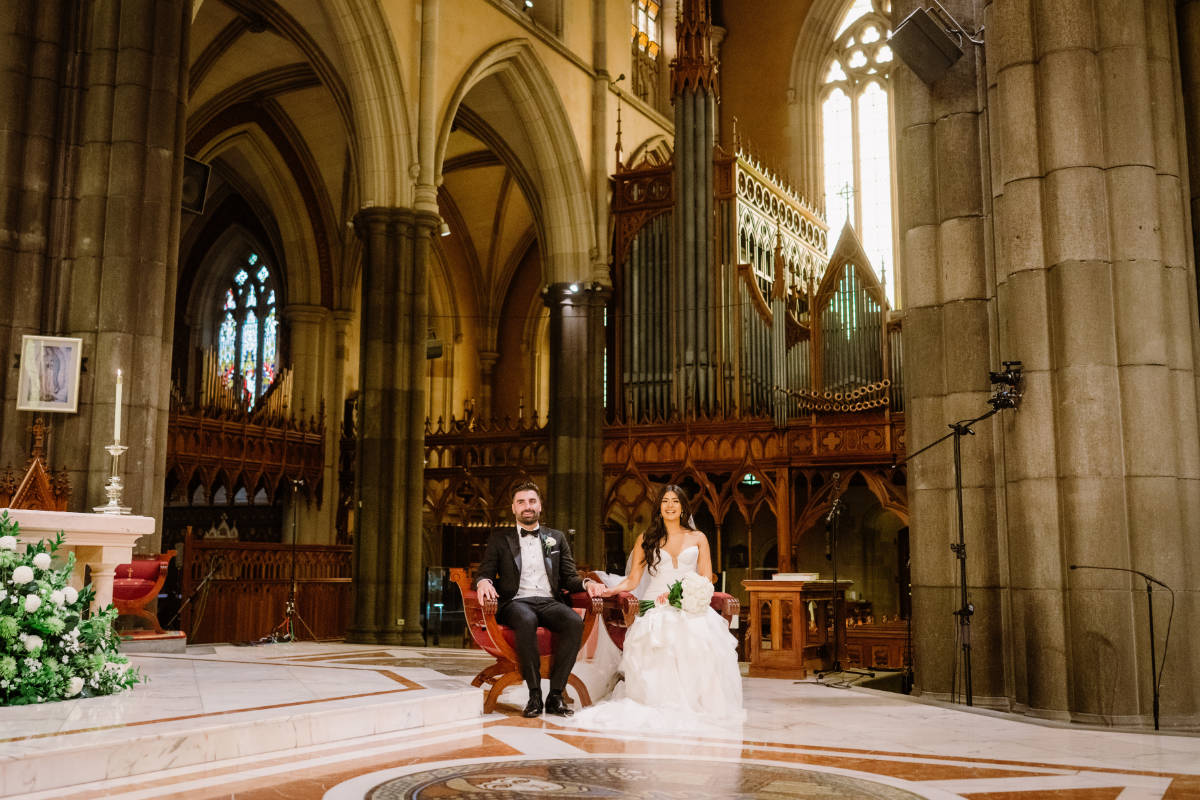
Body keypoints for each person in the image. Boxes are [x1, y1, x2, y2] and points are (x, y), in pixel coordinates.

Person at [568, 484, 744, 732]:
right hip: (654, 605)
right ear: (659, 508)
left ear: (683, 507)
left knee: (698, 635)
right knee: (661, 632)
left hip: (689, 606)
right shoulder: (647, 538)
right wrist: (611, 590)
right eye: (665, 501)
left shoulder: (698, 538)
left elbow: (706, 578)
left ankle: (697, 704)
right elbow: (633, 580)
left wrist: (685, 594)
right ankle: (658, 701)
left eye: (675, 501)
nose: (670, 506)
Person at [475, 481, 605, 717]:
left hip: (548, 601)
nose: (527, 506)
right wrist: (483, 581)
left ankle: (555, 695)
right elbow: (485, 571)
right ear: (513, 508)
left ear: (540, 506)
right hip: (515, 602)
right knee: (526, 619)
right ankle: (534, 695)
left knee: (573, 622)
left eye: (532, 501)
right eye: (521, 502)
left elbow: (569, 576)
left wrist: (587, 583)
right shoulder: (500, 538)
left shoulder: (556, 538)